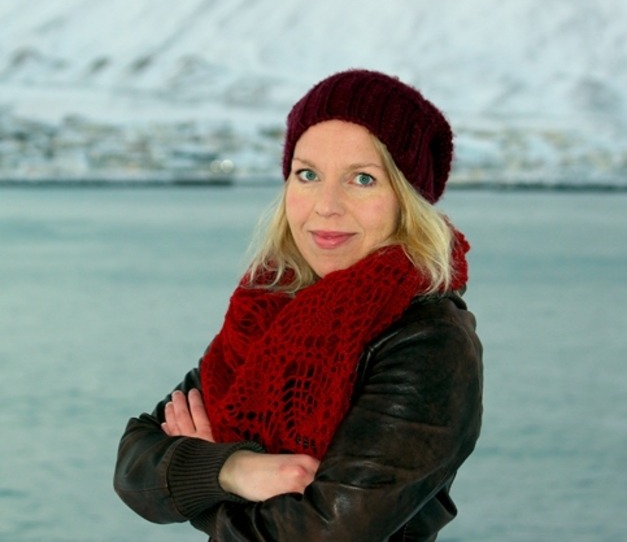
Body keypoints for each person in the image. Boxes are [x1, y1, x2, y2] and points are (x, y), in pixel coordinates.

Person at [114, 69, 483, 541]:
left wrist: (202, 489)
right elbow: (134, 464)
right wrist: (236, 470)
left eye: (363, 179)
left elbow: (322, 533)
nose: (326, 204)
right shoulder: (268, 307)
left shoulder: (429, 340)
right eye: (307, 174)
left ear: (407, 201)